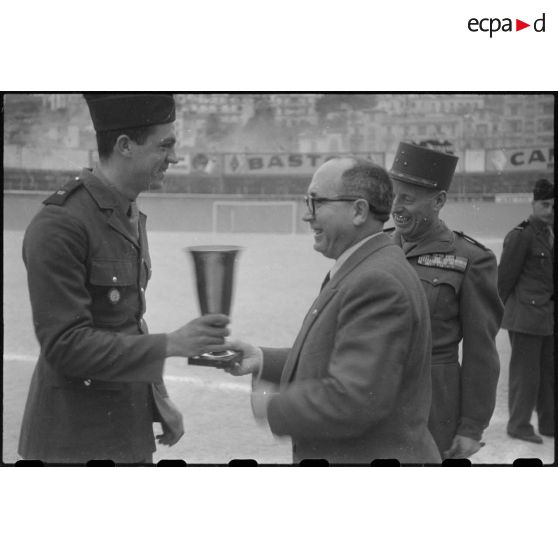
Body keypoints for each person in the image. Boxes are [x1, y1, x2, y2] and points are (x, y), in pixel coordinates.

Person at [18, 94, 230, 464]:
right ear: (125, 146)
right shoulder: (61, 224)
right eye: (164, 145)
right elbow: (66, 346)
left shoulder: (127, 211)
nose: (175, 158)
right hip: (73, 442)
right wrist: (173, 344)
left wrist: (158, 400)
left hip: (126, 430)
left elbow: (127, 323)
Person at [226, 157, 441, 464]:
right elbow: (338, 355)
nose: (307, 216)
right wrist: (264, 360)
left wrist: (269, 405)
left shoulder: (376, 280)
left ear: (358, 211)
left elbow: (353, 400)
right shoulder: (366, 265)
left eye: (317, 202)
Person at [388, 141, 504, 459]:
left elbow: (482, 353)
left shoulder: (471, 259)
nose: (396, 206)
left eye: (408, 199)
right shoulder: (377, 247)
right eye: (393, 195)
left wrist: (471, 427)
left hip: (434, 409)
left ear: (438, 200)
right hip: (375, 400)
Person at [498, 178, 554, 444]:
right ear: (533, 204)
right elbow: (505, 277)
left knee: (549, 374)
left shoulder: (550, 235)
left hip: (547, 318)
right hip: (525, 317)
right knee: (526, 375)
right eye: (545, 204)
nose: (551, 210)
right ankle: (518, 425)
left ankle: (549, 423)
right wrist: (495, 314)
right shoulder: (521, 235)